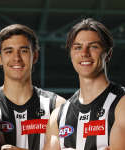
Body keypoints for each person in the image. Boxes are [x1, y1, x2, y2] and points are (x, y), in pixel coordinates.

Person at [44, 18, 125, 150]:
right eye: (78, 47)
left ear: (108, 54)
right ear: (71, 54)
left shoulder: (121, 104)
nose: (84, 53)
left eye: (93, 46)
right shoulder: (58, 116)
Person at [0, 24, 66, 150]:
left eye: (24, 51)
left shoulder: (57, 106)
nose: (16, 58)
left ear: (35, 56)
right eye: (9, 51)